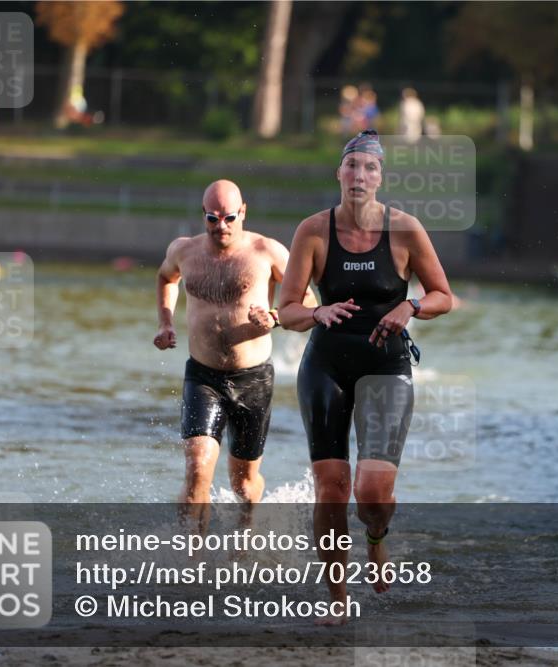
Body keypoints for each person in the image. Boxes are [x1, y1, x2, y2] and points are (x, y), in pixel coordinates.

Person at [277, 130, 453, 623]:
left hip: (386, 364)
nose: (359, 176)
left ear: (380, 177)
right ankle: (337, 597)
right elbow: (285, 309)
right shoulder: (313, 231)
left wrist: (410, 306)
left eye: (369, 168)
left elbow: (444, 295)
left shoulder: (406, 230)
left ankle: (376, 539)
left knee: (372, 493)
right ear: (339, 173)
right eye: (351, 166)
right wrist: (317, 312)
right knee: (331, 487)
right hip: (326, 364)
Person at [154, 180, 316, 530]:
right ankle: (192, 561)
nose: (221, 227)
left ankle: (248, 522)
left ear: (243, 212)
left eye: (228, 217)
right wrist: (165, 322)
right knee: (198, 468)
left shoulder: (267, 252)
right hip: (203, 376)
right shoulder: (185, 251)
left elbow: (310, 305)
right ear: (203, 216)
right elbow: (166, 278)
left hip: (253, 379)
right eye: (212, 219)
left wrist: (274, 317)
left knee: (242, 484)